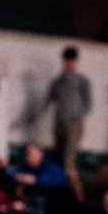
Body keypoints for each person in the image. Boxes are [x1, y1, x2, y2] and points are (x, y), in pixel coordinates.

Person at [43, 47, 92, 177]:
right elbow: (49, 99)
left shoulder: (81, 81)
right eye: (66, 60)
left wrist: (78, 115)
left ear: (75, 62)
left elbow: (88, 102)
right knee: (58, 154)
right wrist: (36, 113)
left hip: (74, 123)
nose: (68, 63)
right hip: (59, 122)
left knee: (69, 157)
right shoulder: (58, 81)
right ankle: (58, 182)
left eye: (71, 61)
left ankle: (70, 184)